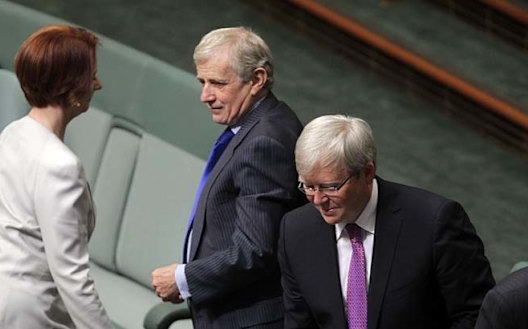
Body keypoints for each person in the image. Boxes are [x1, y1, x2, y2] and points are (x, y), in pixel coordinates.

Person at [0, 25, 114, 329]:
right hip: (7, 317)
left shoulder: (13, 132)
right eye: (91, 75)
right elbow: (71, 276)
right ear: (69, 85)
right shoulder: (61, 165)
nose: (97, 84)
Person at [278, 114, 495, 329]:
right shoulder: (296, 231)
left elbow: (475, 316)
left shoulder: (434, 223)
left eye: (330, 187)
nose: (317, 200)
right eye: (307, 186)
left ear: (367, 172)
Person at [151, 26, 305, 328]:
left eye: (218, 83)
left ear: (257, 79)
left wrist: (183, 278)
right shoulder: (253, 124)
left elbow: (255, 250)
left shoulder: (266, 141)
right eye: (202, 82)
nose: (205, 96)